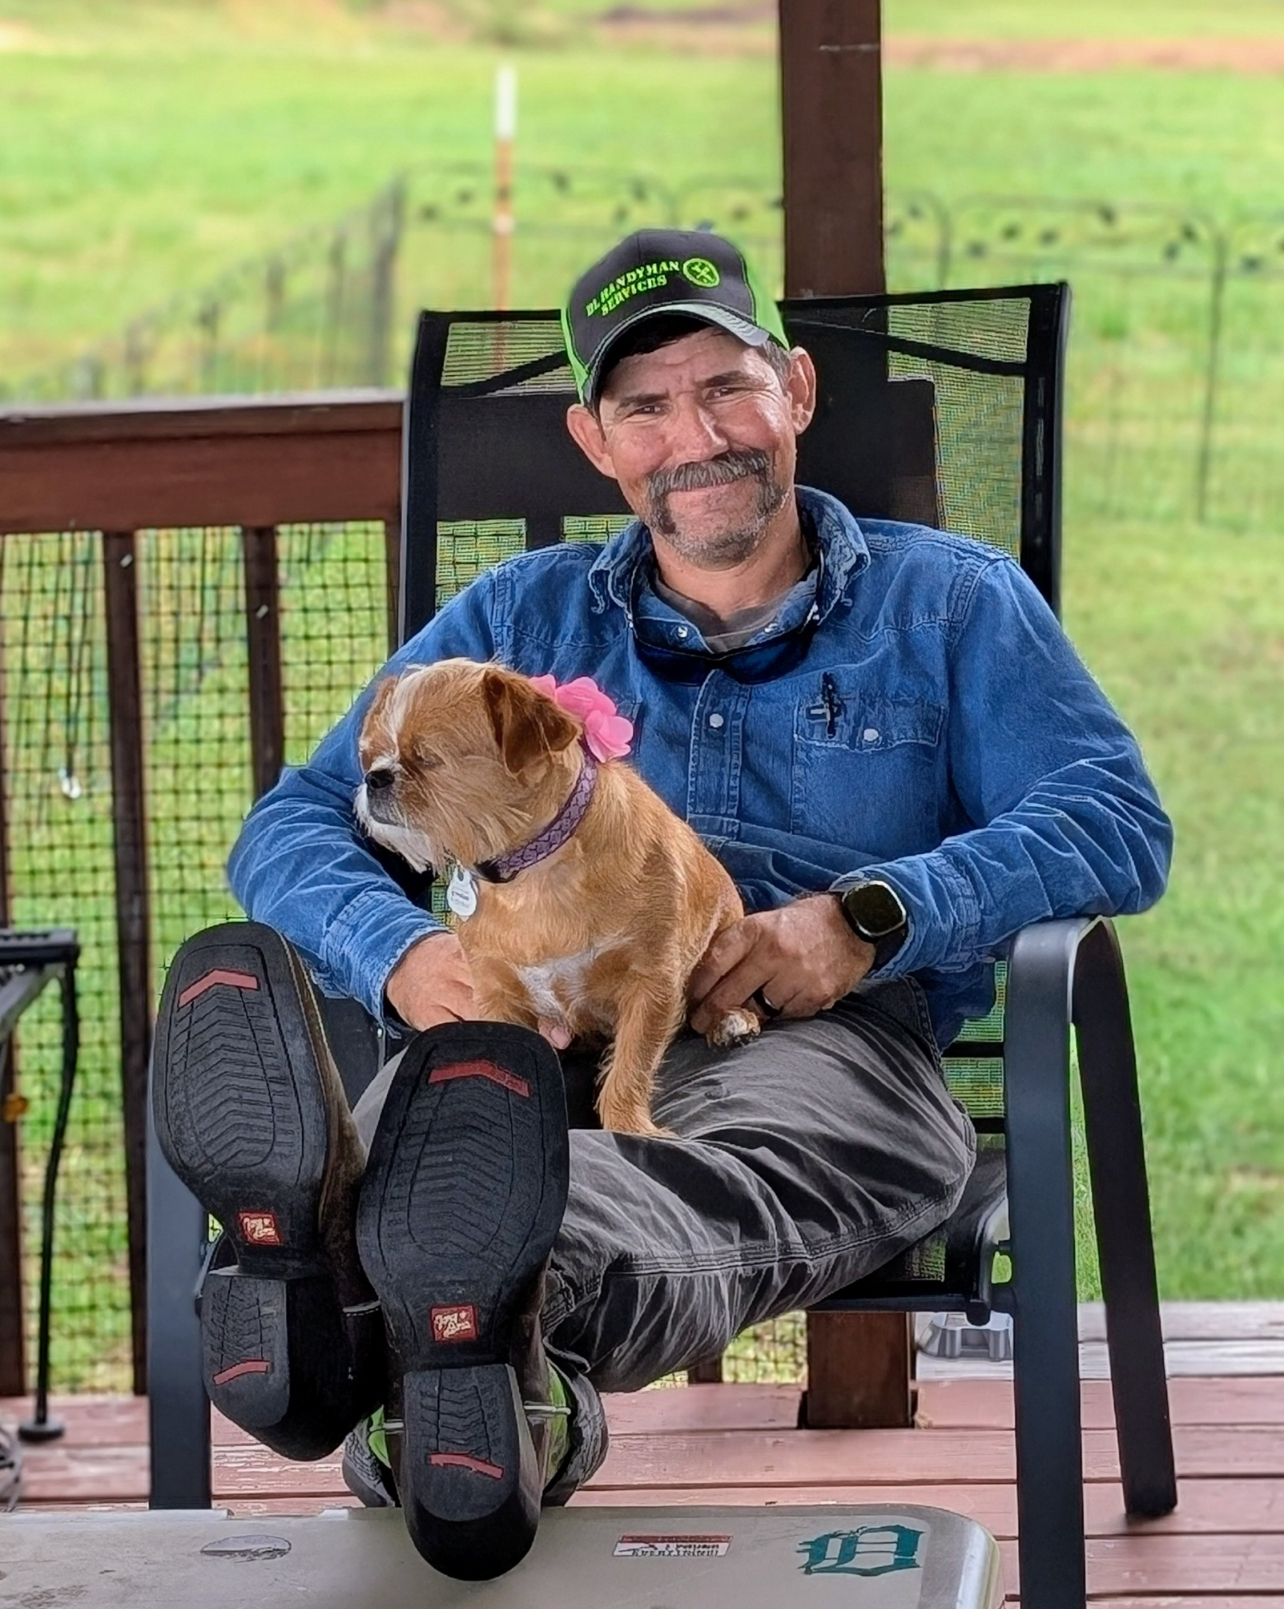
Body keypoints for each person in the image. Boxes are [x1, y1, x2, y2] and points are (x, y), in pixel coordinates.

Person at [153, 229, 1172, 1579]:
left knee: (591, 1188)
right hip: (514, 1020)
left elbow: (1115, 822)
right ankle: (464, 1362)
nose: (696, 435)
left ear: (796, 391)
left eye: (726, 386)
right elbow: (295, 821)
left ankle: (358, 1306)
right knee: (448, 1138)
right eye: (646, 404)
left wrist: (868, 913)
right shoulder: (519, 622)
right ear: (595, 438)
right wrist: (399, 953)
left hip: (813, 1038)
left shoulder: (950, 606)